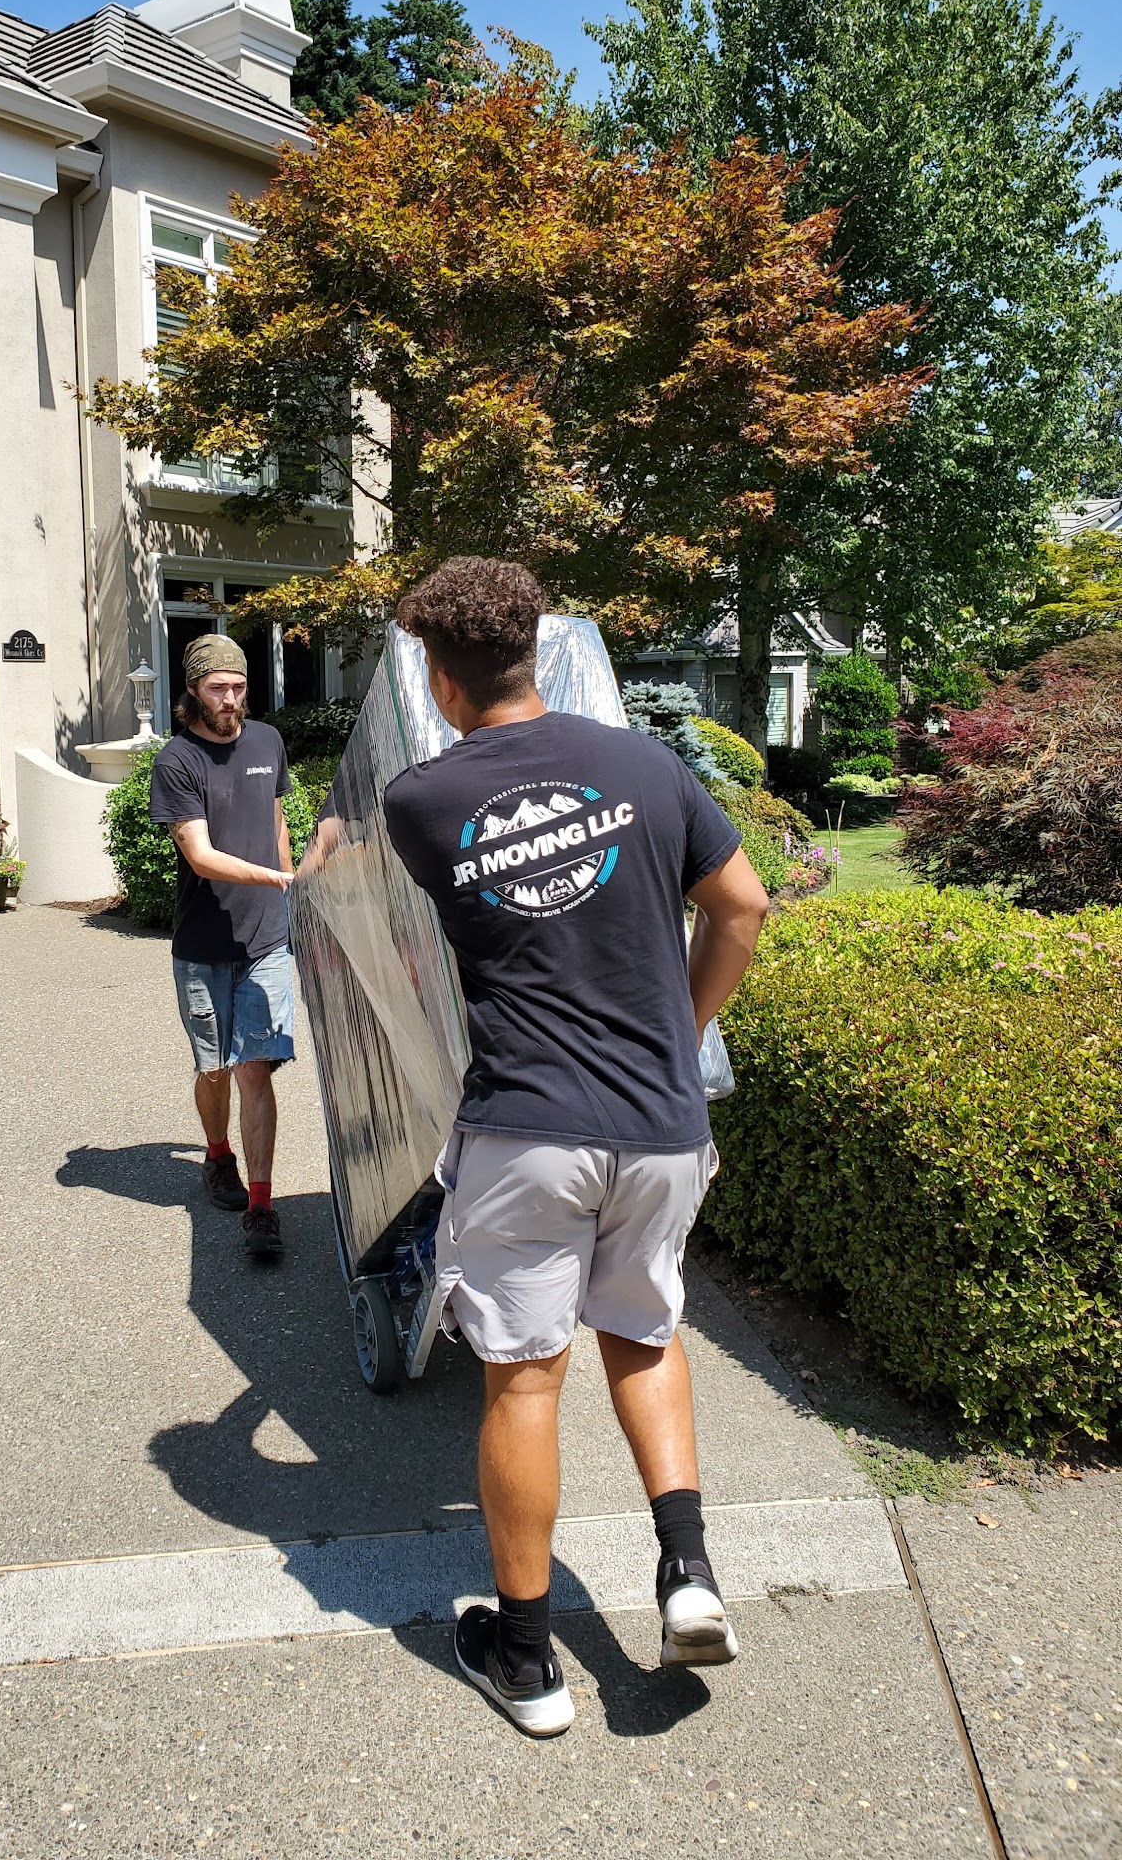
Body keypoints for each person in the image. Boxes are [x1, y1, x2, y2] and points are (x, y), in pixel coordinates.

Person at [382, 558, 769, 1738]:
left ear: (442, 677)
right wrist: (679, 1033)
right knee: (645, 1333)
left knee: (524, 1376)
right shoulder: (649, 765)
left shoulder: (422, 800)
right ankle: (687, 1569)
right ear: (535, 650)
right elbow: (743, 905)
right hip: (661, 1126)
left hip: (528, 1127)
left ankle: (528, 1659)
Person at [149, 633, 296, 1261]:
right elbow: (201, 856)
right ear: (193, 690)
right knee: (214, 1068)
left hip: (267, 940)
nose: (231, 699)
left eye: (238, 687)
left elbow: (276, 820)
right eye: (218, 689)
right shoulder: (176, 761)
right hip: (204, 943)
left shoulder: (267, 741)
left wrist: (288, 887)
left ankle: (261, 1206)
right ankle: (217, 1154)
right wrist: (277, 878)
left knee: (254, 1067)